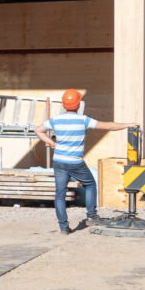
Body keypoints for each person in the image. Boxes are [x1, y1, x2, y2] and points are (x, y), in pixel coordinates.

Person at [47, 88, 120, 233]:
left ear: (63, 104)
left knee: (59, 195)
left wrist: (52, 143)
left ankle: (64, 228)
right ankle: (91, 216)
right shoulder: (84, 120)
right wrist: (129, 125)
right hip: (75, 162)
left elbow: (38, 130)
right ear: (78, 104)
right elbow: (109, 125)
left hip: (59, 161)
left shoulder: (56, 120)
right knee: (90, 184)